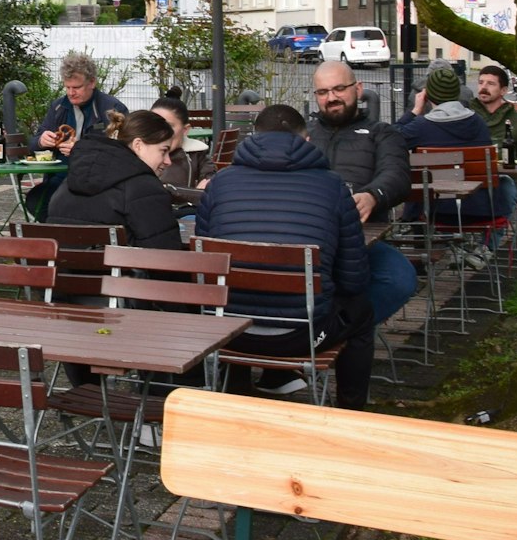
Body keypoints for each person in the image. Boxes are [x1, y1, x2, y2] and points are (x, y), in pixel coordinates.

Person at [196, 104, 374, 409]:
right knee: (362, 313)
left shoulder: (220, 185)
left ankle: (238, 400)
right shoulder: (332, 187)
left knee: (234, 296)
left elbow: (203, 268)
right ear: (306, 141)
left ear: (253, 137)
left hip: (227, 334)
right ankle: (351, 412)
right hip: (302, 336)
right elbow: (353, 279)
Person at [306, 61, 417, 324]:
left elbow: (398, 175)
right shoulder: (305, 135)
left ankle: (346, 328)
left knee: (399, 278)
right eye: (323, 92)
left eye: (339, 89)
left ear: (358, 88)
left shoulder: (383, 133)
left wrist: (372, 195)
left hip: (361, 240)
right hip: (307, 239)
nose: (331, 98)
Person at [46, 109, 184, 249]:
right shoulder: (146, 188)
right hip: (120, 269)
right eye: (163, 150)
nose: (168, 161)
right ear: (138, 145)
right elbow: (165, 256)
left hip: (60, 269)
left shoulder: (71, 180)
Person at [398, 64, 512, 229]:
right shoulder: (478, 122)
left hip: (435, 211)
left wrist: (415, 110)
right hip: (481, 210)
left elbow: (390, 138)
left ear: (427, 94)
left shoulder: (421, 126)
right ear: (457, 93)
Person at [26, 52, 131, 216]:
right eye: (67, 87)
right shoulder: (58, 107)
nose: (70, 93)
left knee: (73, 206)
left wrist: (81, 149)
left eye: (76, 87)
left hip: (97, 182)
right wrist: (41, 141)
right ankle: (59, 236)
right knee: (36, 200)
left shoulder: (112, 109)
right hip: (61, 178)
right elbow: (31, 146)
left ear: (92, 83)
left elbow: (123, 152)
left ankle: (69, 236)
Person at [464, 64, 517, 159]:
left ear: (503, 90)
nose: (484, 87)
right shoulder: (466, 116)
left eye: (490, 83)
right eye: (481, 82)